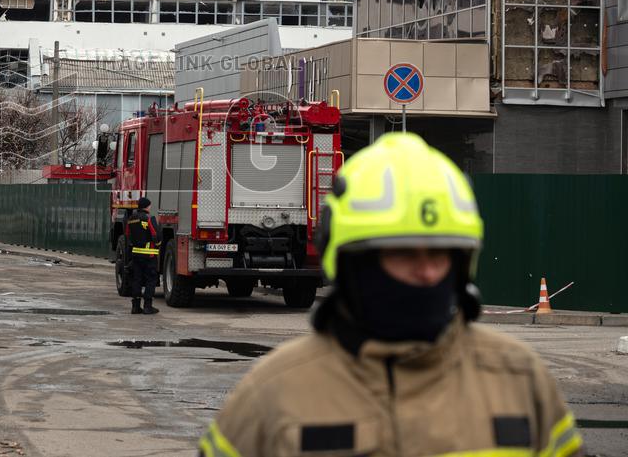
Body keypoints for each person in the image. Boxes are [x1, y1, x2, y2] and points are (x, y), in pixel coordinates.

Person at [200, 133, 582, 457]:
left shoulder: (520, 379)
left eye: (441, 253)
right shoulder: (273, 393)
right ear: (351, 264)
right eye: (403, 253)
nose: (428, 272)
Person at [126, 197, 160, 315]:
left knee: (137, 279)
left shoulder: (131, 219)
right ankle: (147, 306)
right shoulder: (149, 218)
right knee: (151, 280)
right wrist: (158, 245)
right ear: (147, 206)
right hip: (149, 255)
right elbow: (156, 235)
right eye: (149, 205)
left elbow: (128, 235)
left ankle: (135, 307)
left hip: (136, 254)